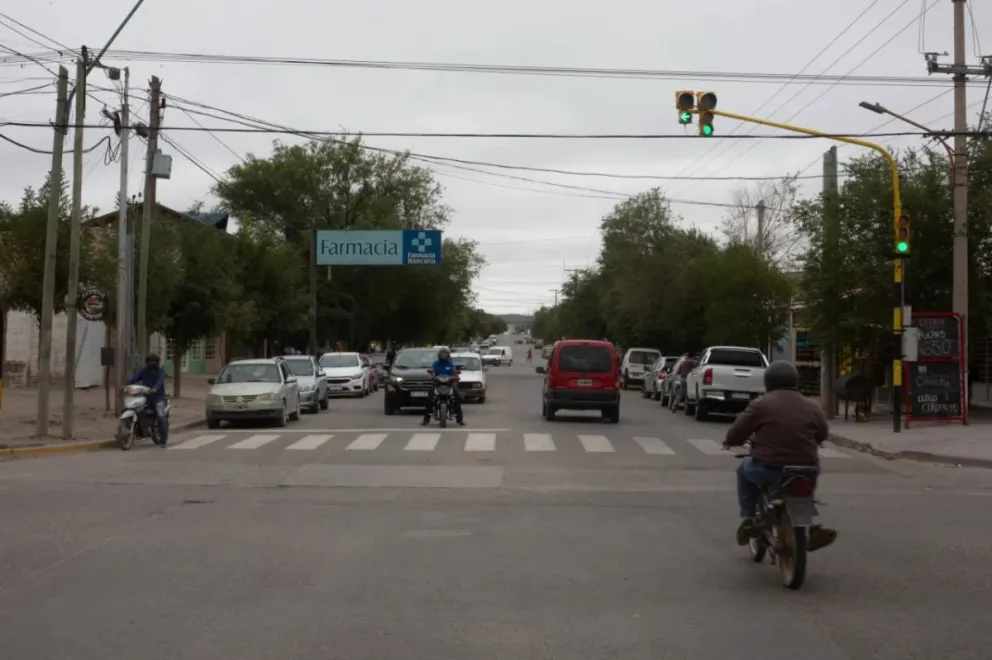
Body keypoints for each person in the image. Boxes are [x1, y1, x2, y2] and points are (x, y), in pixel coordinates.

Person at [722, 360, 837, 552]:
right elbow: (823, 433)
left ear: (768, 382)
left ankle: (749, 517)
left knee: (743, 470)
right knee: (805, 485)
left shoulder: (761, 404)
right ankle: (808, 524)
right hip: (806, 468)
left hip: (769, 468)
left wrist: (730, 441)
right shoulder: (812, 405)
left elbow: (738, 431)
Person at [127, 353, 168, 446]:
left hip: (158, 397)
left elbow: (160, 382)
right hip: (145, 396)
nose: (152, 364)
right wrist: (126, 384)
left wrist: (155, 388)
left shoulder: (160, 371)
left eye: (154, 362)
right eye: (150, 362)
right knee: (135, 408)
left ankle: (163, 439)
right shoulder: (144, 371)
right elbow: (134, 378)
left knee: (161, 416)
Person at [423, 347, 464, 426]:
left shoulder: (451, 364)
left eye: (445, 354)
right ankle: (426, 419)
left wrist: (456, 376)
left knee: (457, 398)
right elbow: (432, 372)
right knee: (428, 399)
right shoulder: (435, 364)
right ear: (439, 355)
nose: (443, 356)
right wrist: (430, 376)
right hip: (438, 384)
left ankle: (460, 420)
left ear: (448, 355)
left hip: (449, 384)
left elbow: (455, 372)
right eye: (442, 354)